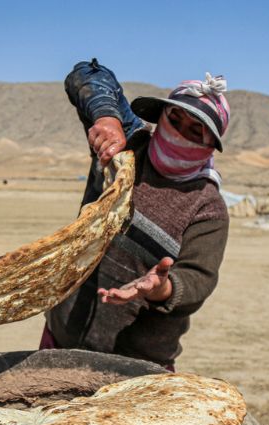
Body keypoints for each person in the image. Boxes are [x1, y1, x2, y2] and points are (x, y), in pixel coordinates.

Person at [40, 59, 231, 370]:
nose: (179, 134)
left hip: (137, 367)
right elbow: (88, 73)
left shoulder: (207, 207)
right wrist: (107, 117)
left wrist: (161, 289)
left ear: (211, 145)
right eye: (175, 120)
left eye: (196, 131)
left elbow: (199, 279)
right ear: (160, 118)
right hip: (62, 340)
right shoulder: (129, 147)